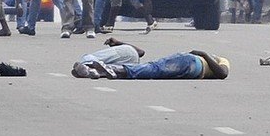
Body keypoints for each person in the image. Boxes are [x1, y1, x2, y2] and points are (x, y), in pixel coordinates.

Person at [87, 50, 230, 80]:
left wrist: (204, 54)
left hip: (192, 64)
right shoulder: (213, 59)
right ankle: (108, 71)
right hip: (189, 63)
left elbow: (222, 73)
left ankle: (111, 70)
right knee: (154, 69)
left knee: (154, 69)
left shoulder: (222, 60)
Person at [71, 37, 146, 79]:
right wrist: (118, 43)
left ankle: (86, 65)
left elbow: (141, 52)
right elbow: (141, 52)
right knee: (110, 69)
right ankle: (94, 71)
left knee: (88, 57)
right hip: (133, 65)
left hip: (127, 51)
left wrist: (118, 43)